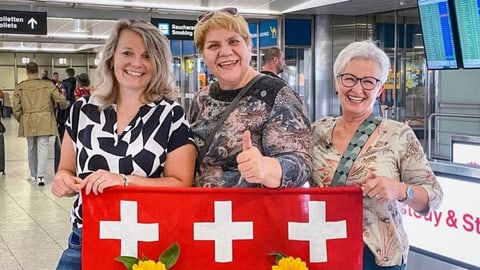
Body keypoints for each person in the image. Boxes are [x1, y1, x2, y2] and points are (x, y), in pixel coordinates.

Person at [50, 19, 196, 270]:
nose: (136, 63)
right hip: (87, 236)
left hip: (149, 240)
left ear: (157, 63)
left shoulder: (171, 115)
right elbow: (66, 169)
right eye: (127, 53)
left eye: (147, 56)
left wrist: (124, 180)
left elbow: (181, 184)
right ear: (111, 58)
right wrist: (63, 180)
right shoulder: (82, 111)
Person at [310, 40, 443, 270]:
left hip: (378, 258)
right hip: (324, 250)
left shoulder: (398, 135)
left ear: (380, 89)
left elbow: (434, 195)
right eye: (349, 78)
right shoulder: (315, 131)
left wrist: (400, 190)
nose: (357, 89)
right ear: (337, 82)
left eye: (368, 82)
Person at [189, 7, 312, 188]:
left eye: (234, 42)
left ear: (249, 46)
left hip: (251, 213)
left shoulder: (276, 94)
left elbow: (301, 163)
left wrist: (265, 168)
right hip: (203, 212)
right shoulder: (201, 98)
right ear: (203, 54)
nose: (225, 52)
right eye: (213, 45)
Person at [12, 62, 68, 186]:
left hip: (28, 118)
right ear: (38, 71)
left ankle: (33, 174)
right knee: (43, 146)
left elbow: (15, 108)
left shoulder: (20, 87)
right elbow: (61, 99)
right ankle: (41, 176)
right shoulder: (47, 85)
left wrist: (21, 118)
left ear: (27, 72)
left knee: (31, 147)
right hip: (45, 118)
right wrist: (63, 107)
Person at [54, 68, 76, 173]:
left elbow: (63, 93)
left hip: (67, 104)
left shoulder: (64, 82)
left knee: (67, 122)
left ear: (67, 74)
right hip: (75, 103)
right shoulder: (76, 81)